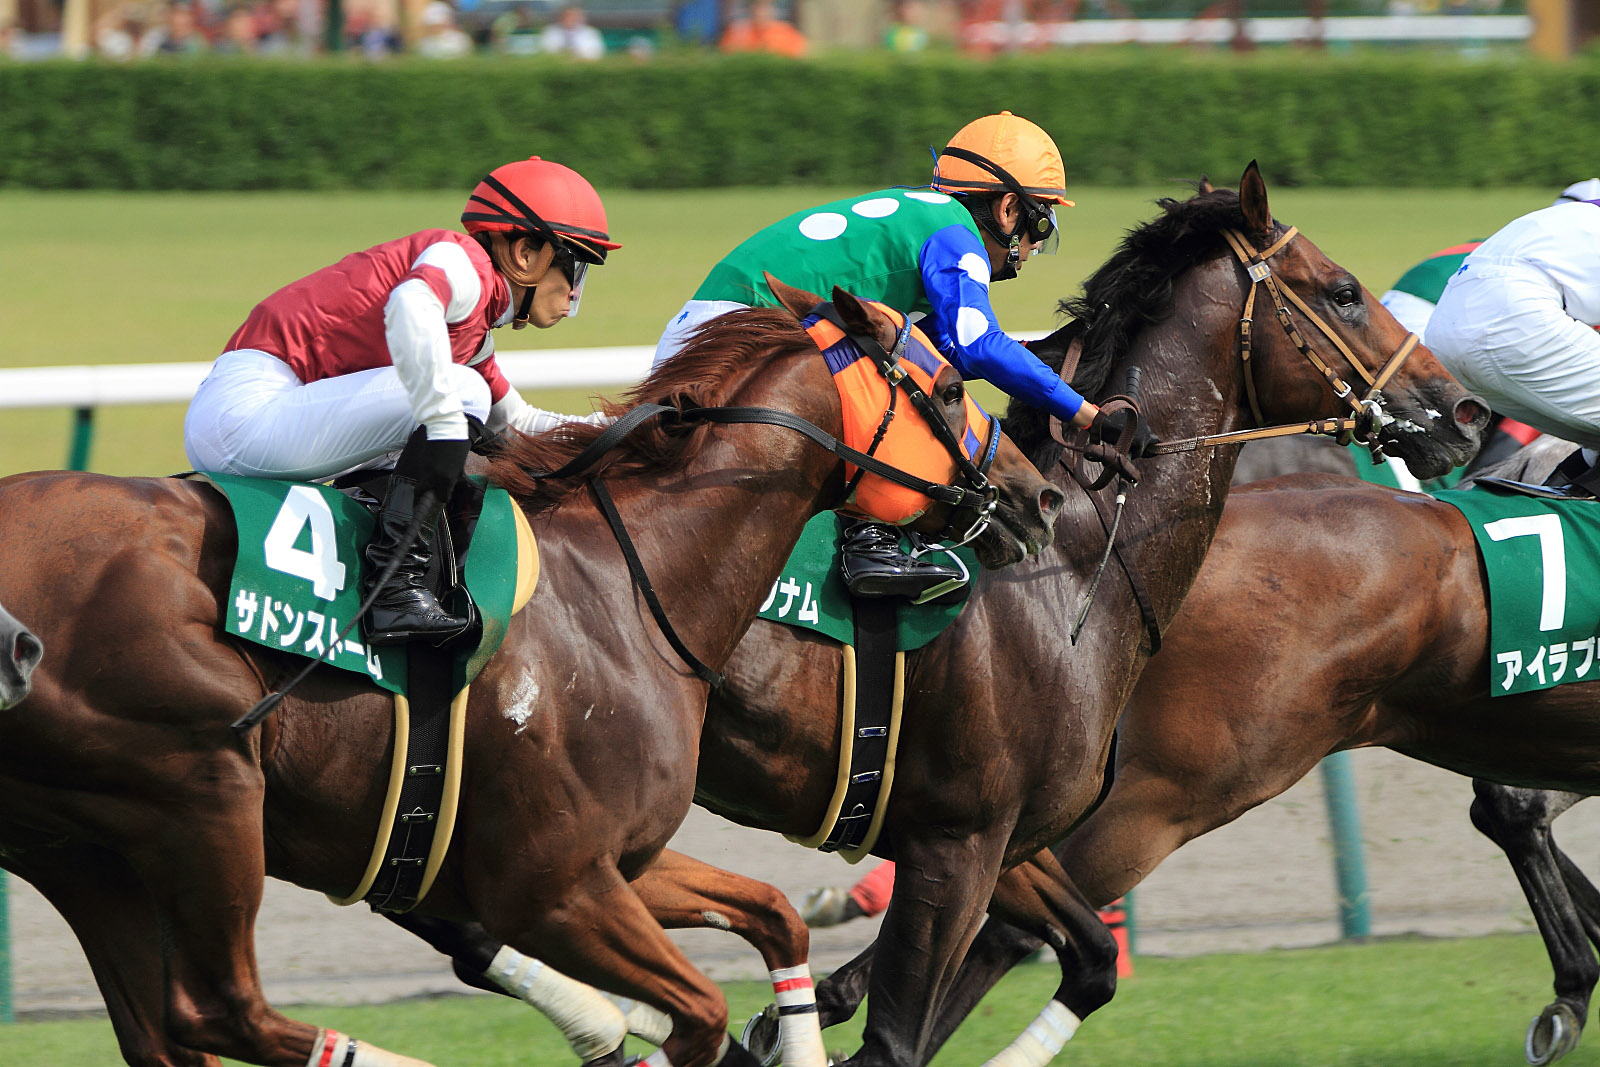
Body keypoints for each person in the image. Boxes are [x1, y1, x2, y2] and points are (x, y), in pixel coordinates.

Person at [654, 111, 1102, 598]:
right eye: (1041, 224)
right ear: (1009, 210)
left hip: (717, 325)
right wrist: (1087, 415)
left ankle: (869, 538)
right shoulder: (957, 237)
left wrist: (1037, 358)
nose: (1035, 247)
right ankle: (871, 542)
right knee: (903, 402)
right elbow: (978, 345)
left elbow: (945, 353)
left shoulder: (927, 216)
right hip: (734, 336)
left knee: (905, 378)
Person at [184, 157, 619, 644]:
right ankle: (394, 589)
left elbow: (517, 425)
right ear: (525, 253)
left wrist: (615, 430)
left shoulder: (473, 330)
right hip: (248, 412)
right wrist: (442, 414)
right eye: (576, 267)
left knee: (466, 407)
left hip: (268, 413)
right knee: (462, 396)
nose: (574, 293)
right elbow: (410, 303)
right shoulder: (462, 262)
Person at [1426, 179, 1600, 495]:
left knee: (1595, 439)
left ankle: (1557, 504)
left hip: (1444, 334)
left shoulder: (1569, 219)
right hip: (1515, 322)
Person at [719, 0, 807, 58]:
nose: (760, 12)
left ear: (773, 9)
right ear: (749, 9)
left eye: (764, 7)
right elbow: (725, 58)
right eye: (756, 7)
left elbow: (800, 55)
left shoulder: (787, 32)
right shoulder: (736, 32)